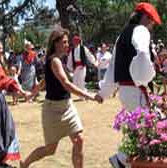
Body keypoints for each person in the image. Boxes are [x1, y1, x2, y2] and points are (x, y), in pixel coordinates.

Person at [20, 26, 101, 168]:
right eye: (64, 42)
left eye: (67, 42)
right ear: (55, 43)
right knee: (50, 150)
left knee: (79, 140)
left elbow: (45, 80)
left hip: (67, 106)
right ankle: (25, 163)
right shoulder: (54, 61)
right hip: (52, 110)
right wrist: (90, 96)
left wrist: (32, 93)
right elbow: (66, 83)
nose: (67, 44)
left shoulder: (58, 59)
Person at [95, 2, 162, 168]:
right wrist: (147, 76)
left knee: (139, 130)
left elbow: (111, 69)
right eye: (152, 21)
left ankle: (123, 160)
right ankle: (121, 160)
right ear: (145, 18)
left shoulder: (121, 36)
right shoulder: (141, 30)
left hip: (125, 90)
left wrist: (103, 92)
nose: (152, 26)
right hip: (136, 89)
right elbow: (142, 54)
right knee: (146, 131)